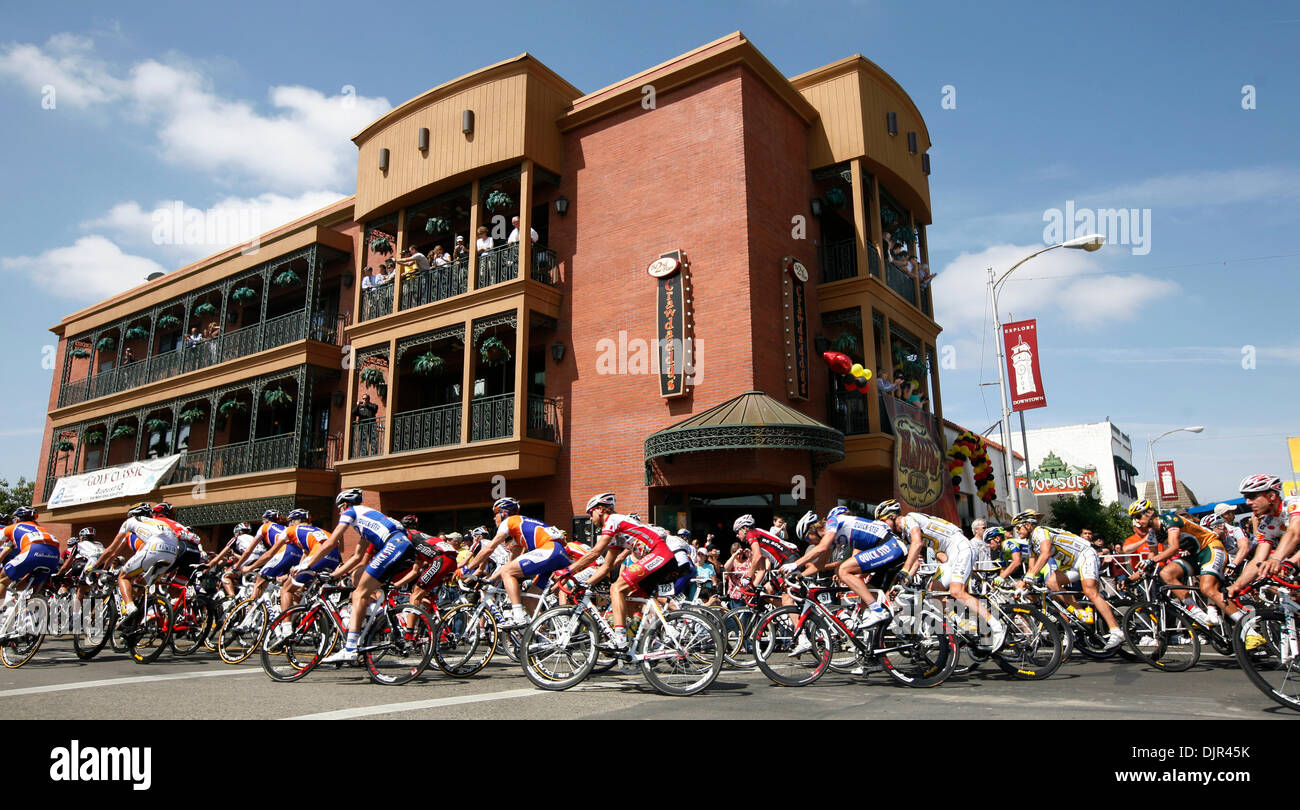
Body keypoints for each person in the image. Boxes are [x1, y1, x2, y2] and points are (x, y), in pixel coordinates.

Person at [299, 489, 413, 665]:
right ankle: (372, 614)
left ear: (345, 505)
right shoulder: (366, 520)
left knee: (359, 593)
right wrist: (334, 575)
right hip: (403, 547)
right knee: (358, 575)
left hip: (395, 544)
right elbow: (357, 557)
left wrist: (306, 564)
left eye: (339, 509)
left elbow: (331, 542)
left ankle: (351, 648)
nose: (339, 513)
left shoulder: (352, 512)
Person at [564, 493, 679, 651]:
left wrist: (568, 570)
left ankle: (620, 639)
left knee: (616, 588)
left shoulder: (612, 520)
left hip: (659, 554)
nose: (590, 519)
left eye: (590, 514)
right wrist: (585, 584)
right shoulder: (616, 533)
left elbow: (595, 552)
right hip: (660, 558)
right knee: (629, 601)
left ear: (600, 510)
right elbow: (606, 566)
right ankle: (653, 641)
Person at [1016, 509, 1125, 650]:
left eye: (1018, 527)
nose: (1017, 531)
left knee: (1090, 592)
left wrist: (1029, 577)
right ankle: (1080, 611)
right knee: (1051, 582)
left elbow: (1045, 554)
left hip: (1085, 554)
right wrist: (1022, 584)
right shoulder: (1031, 542)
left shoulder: (1040, 532)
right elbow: (1031, 568)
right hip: (1073, 563)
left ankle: (1116, 630)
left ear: (1028, 525)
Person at [460, 498, 570, 627]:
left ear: (504, 513)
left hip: (550, 550)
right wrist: (490, 580)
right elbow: (510, 564)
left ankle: (518, 616)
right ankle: (542, 636)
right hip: (560, 555)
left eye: (495, 514)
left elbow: (489, 548)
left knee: (508, 572)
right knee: (530, 600)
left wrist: (466, 569)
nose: (494, 519)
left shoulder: (509, 521)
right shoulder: (520, 531)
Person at [86, 503, 179, 620]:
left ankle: (130, 607)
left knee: (123, 577)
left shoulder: (131, 522)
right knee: (142, 584)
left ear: (133, 514)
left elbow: (111, 551)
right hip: (172, 553)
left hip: (153, 549)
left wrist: (94, 567)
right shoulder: (159, 523)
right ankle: (152, 612)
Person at [0, 507, 61, 605]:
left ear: (17, 518)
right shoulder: (41, 529)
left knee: (3, 579)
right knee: (21, 586)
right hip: (54, 556)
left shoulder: (13, 527)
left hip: (33, 551)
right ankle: (20, 610)